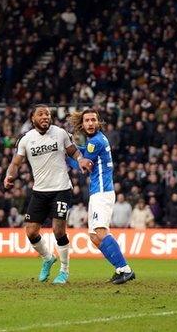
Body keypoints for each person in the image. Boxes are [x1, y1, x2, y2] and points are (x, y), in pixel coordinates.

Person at [4, 104, 92, 284]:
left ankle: (64, 270)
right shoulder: (26, 139)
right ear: (33, 119)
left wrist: (81, 159)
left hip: (61, 188)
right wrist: (9, 175)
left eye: (47, 114)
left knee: (58, 230)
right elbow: (15, 162)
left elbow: (73, 151)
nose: (45, 117)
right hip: (40, 191)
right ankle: (47, 258)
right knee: (30, 231)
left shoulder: (60, 133)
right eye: (41, 114)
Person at [67, 109, 135, 284]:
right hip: (98, 192)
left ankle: (125, 269)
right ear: (82, 124)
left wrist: (65, 154)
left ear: (98, 122)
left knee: (100, 232)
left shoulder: (95, 141)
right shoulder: (94, 141)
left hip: (102, 193)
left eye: (93, 120)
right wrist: (71, 147)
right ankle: (120, 269)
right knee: (94, 237)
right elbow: (84, 152)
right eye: (87, 120)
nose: (90, 123)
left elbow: (83, 166)